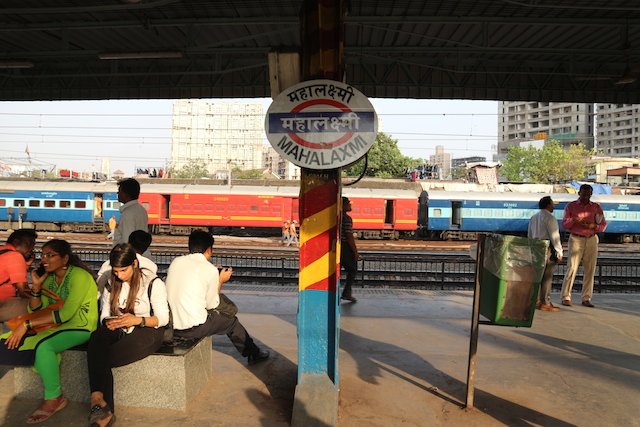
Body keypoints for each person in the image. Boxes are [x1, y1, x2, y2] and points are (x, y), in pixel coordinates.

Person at [0, 239, 98, 424]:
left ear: (65, 259)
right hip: (56, 326)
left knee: (43, 346)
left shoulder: (79, 276)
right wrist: (36, 288)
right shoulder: (50, 278)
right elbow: (36, 310)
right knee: (5, 339)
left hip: (80, 326)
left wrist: (27, 326)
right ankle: (49, 364)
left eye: (50, 255)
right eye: (43, 255)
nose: (44, 260)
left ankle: (54, 398)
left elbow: (67, 314)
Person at [87, 244, 169, 427]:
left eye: (123, 270)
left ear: (135, 263)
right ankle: (98, 400)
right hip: (120, 325)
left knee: (101, 357)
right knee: (96, 339)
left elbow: (162, 319)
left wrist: (136, 320)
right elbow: (104, 313)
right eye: (115, 271)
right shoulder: (111, 281)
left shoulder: (153, 283)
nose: (119, 275)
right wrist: (111, 322)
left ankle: (101, 406)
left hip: (147, 329)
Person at [165, 230, 269, 365]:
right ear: (209, 249)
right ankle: (253, 354)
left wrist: (213, 275)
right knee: (231, 322)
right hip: (192, 328)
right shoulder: (209, 270)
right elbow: (212, 304)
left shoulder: (176, 262)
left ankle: (234, 315)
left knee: (225, 309)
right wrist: (219, 280)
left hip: (171, 324)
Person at [560, 184, 607, 308]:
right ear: (579, 193)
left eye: (588, 194)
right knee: (572, 268)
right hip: (576, 238)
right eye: (584, 193)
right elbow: (565, 224)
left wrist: (594, 227)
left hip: (591, 238)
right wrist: (574, 220)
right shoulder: (571, 206)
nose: (586, 196)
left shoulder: (596, 207)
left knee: (590, 269)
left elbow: (603, 225)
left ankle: (586, 298)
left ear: (591, 194)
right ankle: (566, 296)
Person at [528, 196, 563, 312]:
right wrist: (559, 252)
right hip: (547, 248)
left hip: (535, 247)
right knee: (547, 277)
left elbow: (530, 234)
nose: (553, 206)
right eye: (552, 204)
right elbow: (554, 236)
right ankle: (545, 302)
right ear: (548, 205)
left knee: (537, 276)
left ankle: (536, 301)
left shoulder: (533, 217)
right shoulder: (550, 218)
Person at [97, 230, 157, 295]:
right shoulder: (151, 266)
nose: (119, 276)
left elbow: (99, 289)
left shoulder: (108, 263)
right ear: (146, 248)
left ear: (128, 243)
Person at [0, 229, 37, 321]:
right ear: (16, 242)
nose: (32, 248)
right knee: (39, 307)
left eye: (33, 245)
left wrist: (26, 266)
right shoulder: (16, 256)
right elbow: (23, 291)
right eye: (29, 244)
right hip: (2, 304)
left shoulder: (2, 252)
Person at [112, 178, 148, 247]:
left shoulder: (128, 213)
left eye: (119, 191)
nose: (118, 193)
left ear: (126, 194)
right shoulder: (141, 210)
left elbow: (127, 241)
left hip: (131, 255)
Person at [340, 197, 360, 303]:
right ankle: (347, 293)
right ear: (342, 205)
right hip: (345, 248)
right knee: (352, 269)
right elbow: (349, 236)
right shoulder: (347, 218)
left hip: (336, 247)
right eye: (348, 203)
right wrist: (355, 252)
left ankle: (334, 292)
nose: (350, 205)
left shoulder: (337, 217)